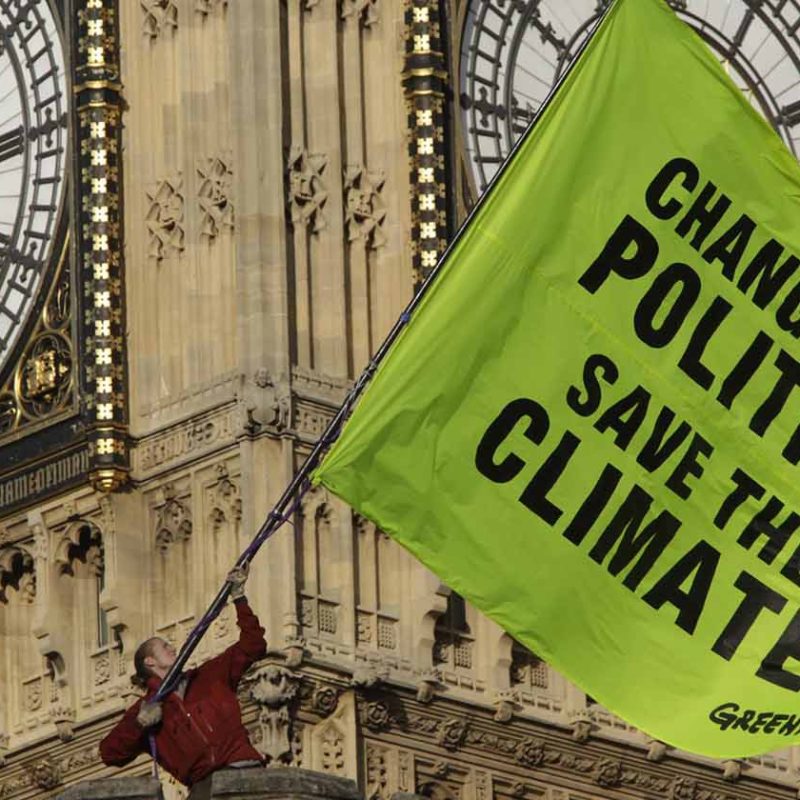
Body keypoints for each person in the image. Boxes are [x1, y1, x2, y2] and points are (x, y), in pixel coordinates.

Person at [99, 565, 266, 799]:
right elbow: (109, 753)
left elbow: (254, 645)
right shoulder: (147, 709)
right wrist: (139, 724)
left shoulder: (209, 676)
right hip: (205, 787)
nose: (174, 648)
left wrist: (239, 597)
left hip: (245, 769)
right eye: (165, 647)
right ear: (150, 662)